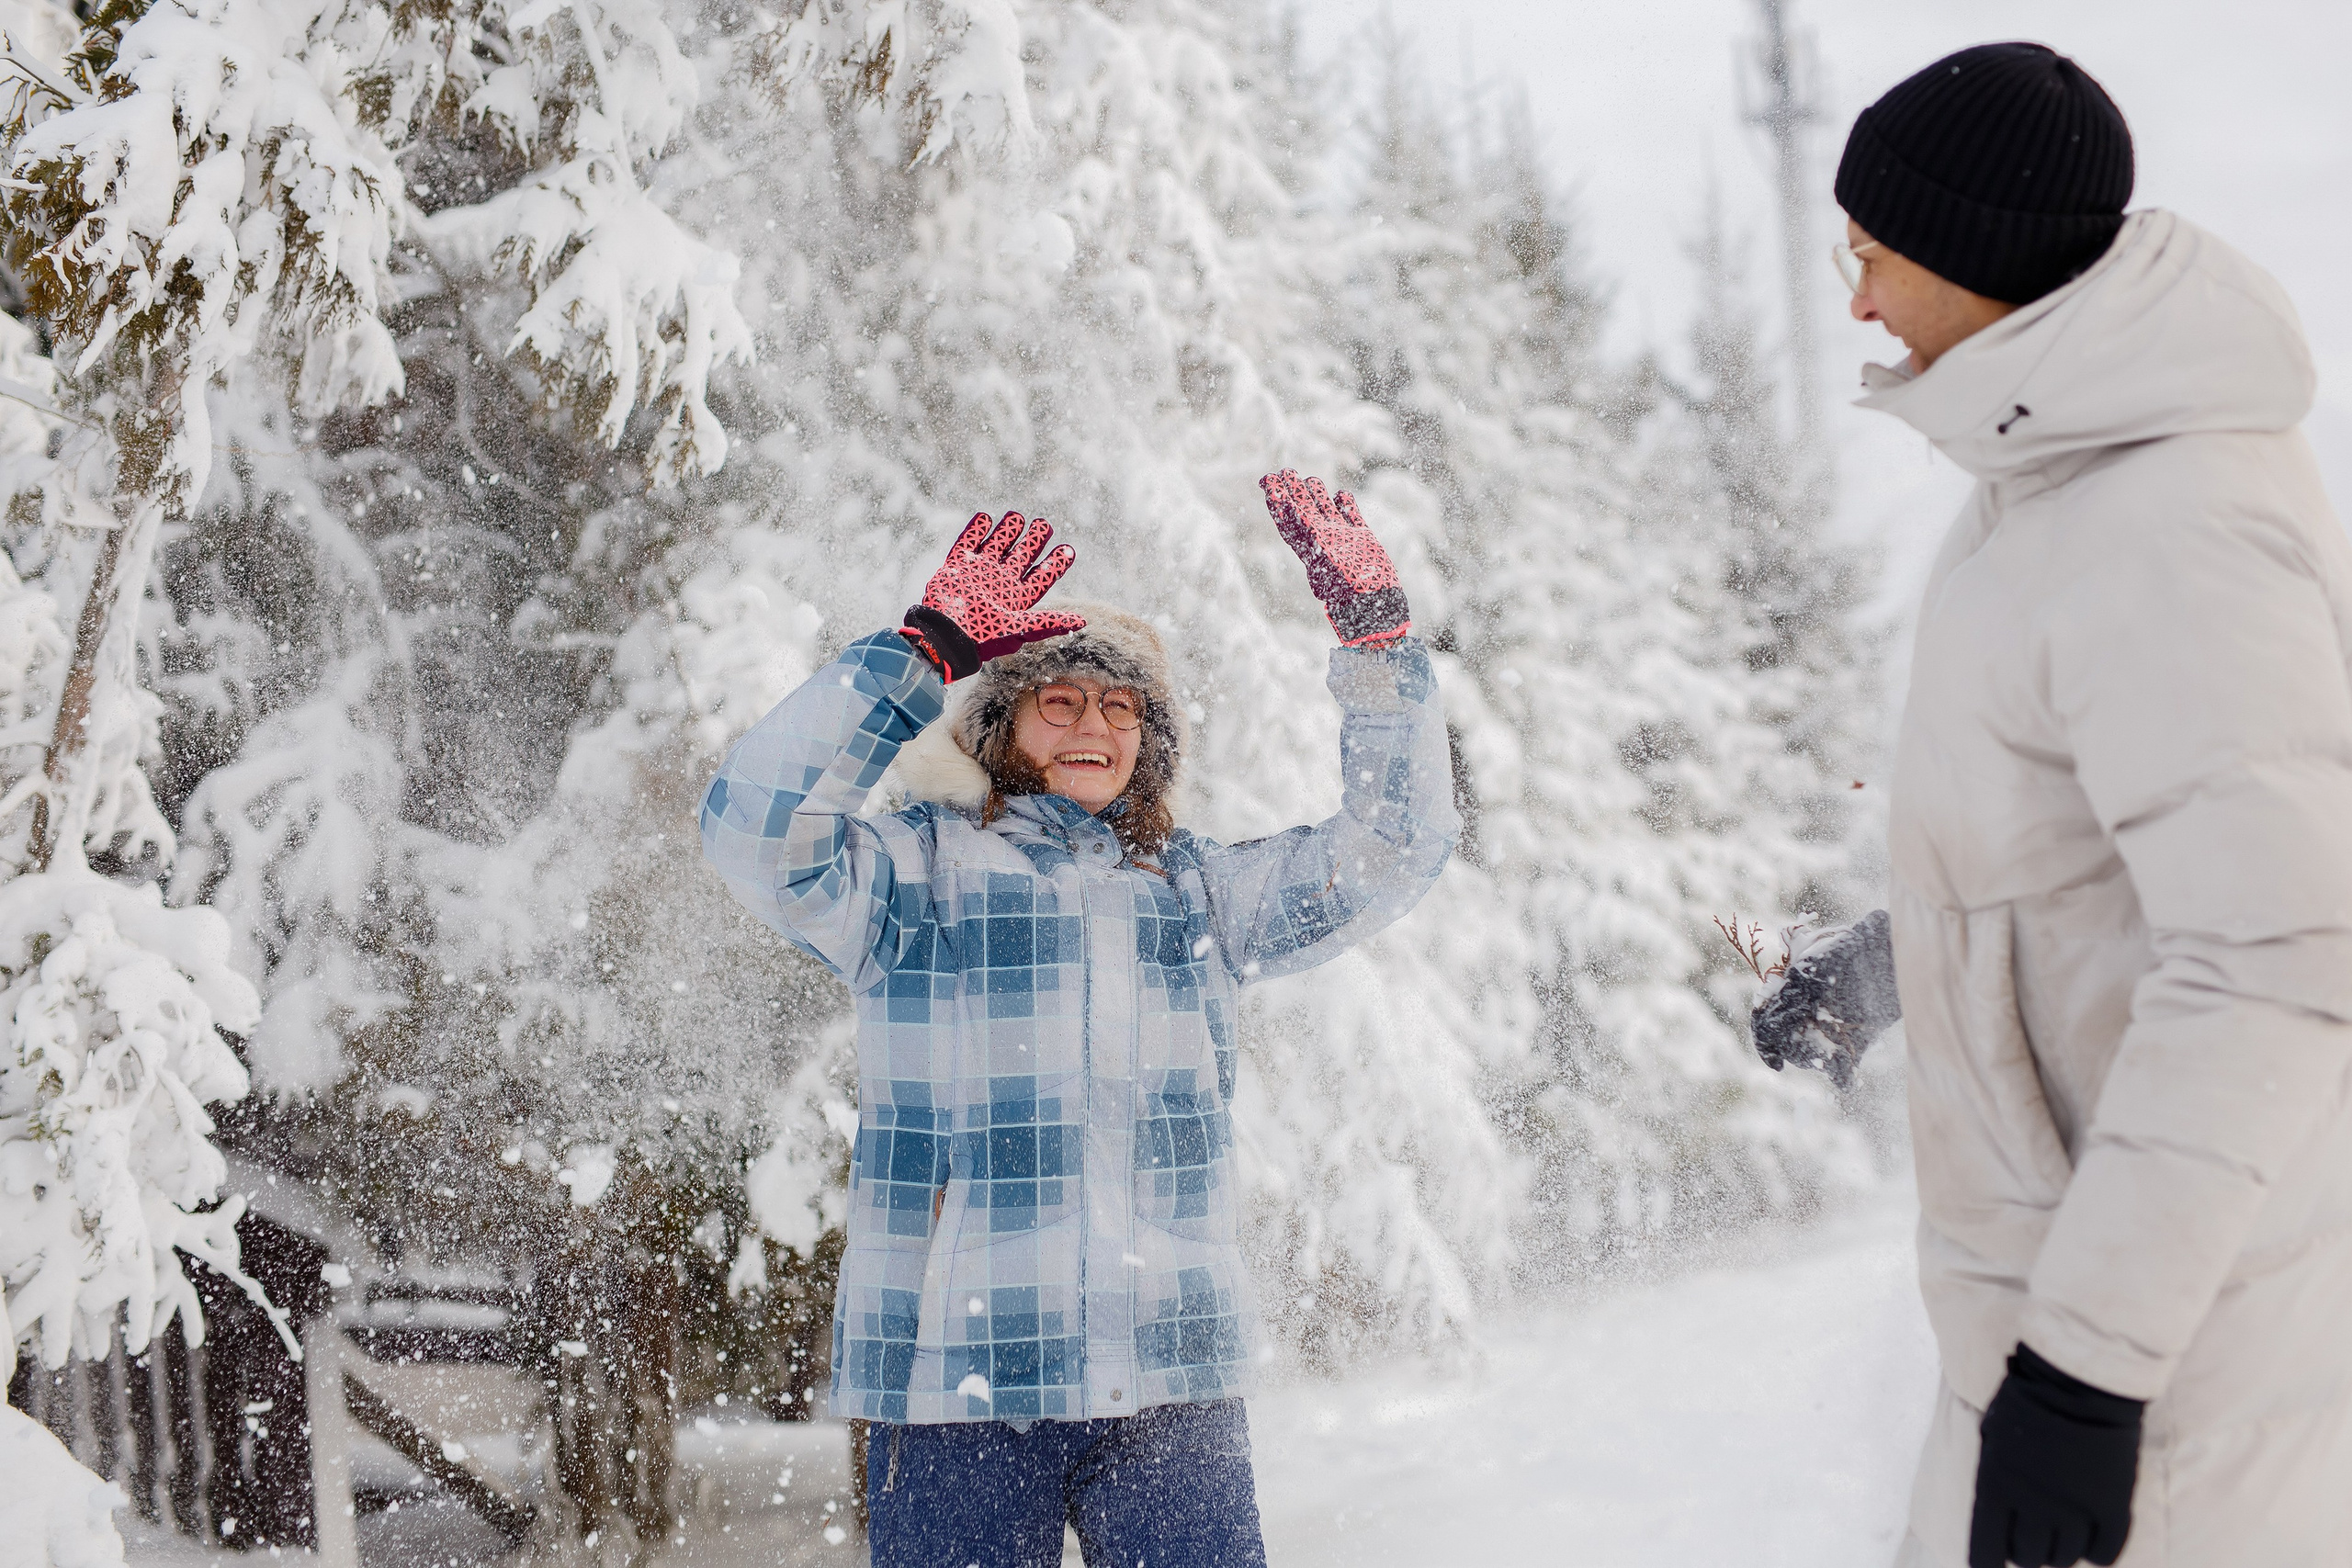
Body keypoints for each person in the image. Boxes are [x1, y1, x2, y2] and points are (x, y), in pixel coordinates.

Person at [1753, 41, 2352, 1568]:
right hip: (2060, 1305)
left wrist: (2089, 1372)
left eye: (1874, 253)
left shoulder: (2170, 523)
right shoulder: (2056, 488)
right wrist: (1906, 959)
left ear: (1977, 255)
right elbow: (2095, 861)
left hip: (2172, 1362)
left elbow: (2278, 963)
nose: (1860, 297)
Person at [699, 472, 1456, 1566]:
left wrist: (1380, 648)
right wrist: (921, 655)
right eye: (1060, 699)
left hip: (1170, 1378)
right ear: (1001, 727)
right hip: (958, 1382)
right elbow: (750, 828)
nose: (1095, 722)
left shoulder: (1197, 894)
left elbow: (1393, 851)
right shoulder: (911, 882)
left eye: (1120, 705)